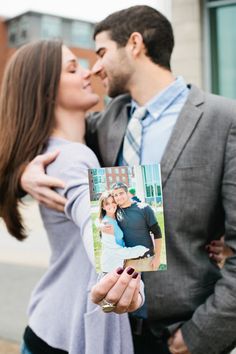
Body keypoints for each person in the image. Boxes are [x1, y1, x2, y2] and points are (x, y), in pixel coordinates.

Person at [19, 5, 236, 354]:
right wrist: (22, 173)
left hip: (178, 334)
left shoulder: (223, 118)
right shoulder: (107, 121)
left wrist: (199, 338)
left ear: (134, 44)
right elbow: (39, 135)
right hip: (110, 329)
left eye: (102, 52)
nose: (97, 67)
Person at [0, 40, 143, 354]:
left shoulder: (57, 151)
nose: (87, 73)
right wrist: (123, 277)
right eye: (72, 68)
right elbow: (93, 218)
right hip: (69, 335)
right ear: (47, 90)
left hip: (50, 327)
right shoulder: (74, 157)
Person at [110, 182, 162, 272]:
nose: (118, 197)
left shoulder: (144, 208)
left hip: (146, 260)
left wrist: (157, 258)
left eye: (121, 193)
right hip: (127, 262)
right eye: (115, 195)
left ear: (127, 193)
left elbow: (157, 233)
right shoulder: (114, 211)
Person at [98, 190, 149, 272]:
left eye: (113, 202)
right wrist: (142, 249)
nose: (111, 205)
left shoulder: (117, 217)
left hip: (120, 263)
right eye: (107, 203)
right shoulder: (107, 225)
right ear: (103, 207)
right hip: (111, 267)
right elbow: (116, 251)